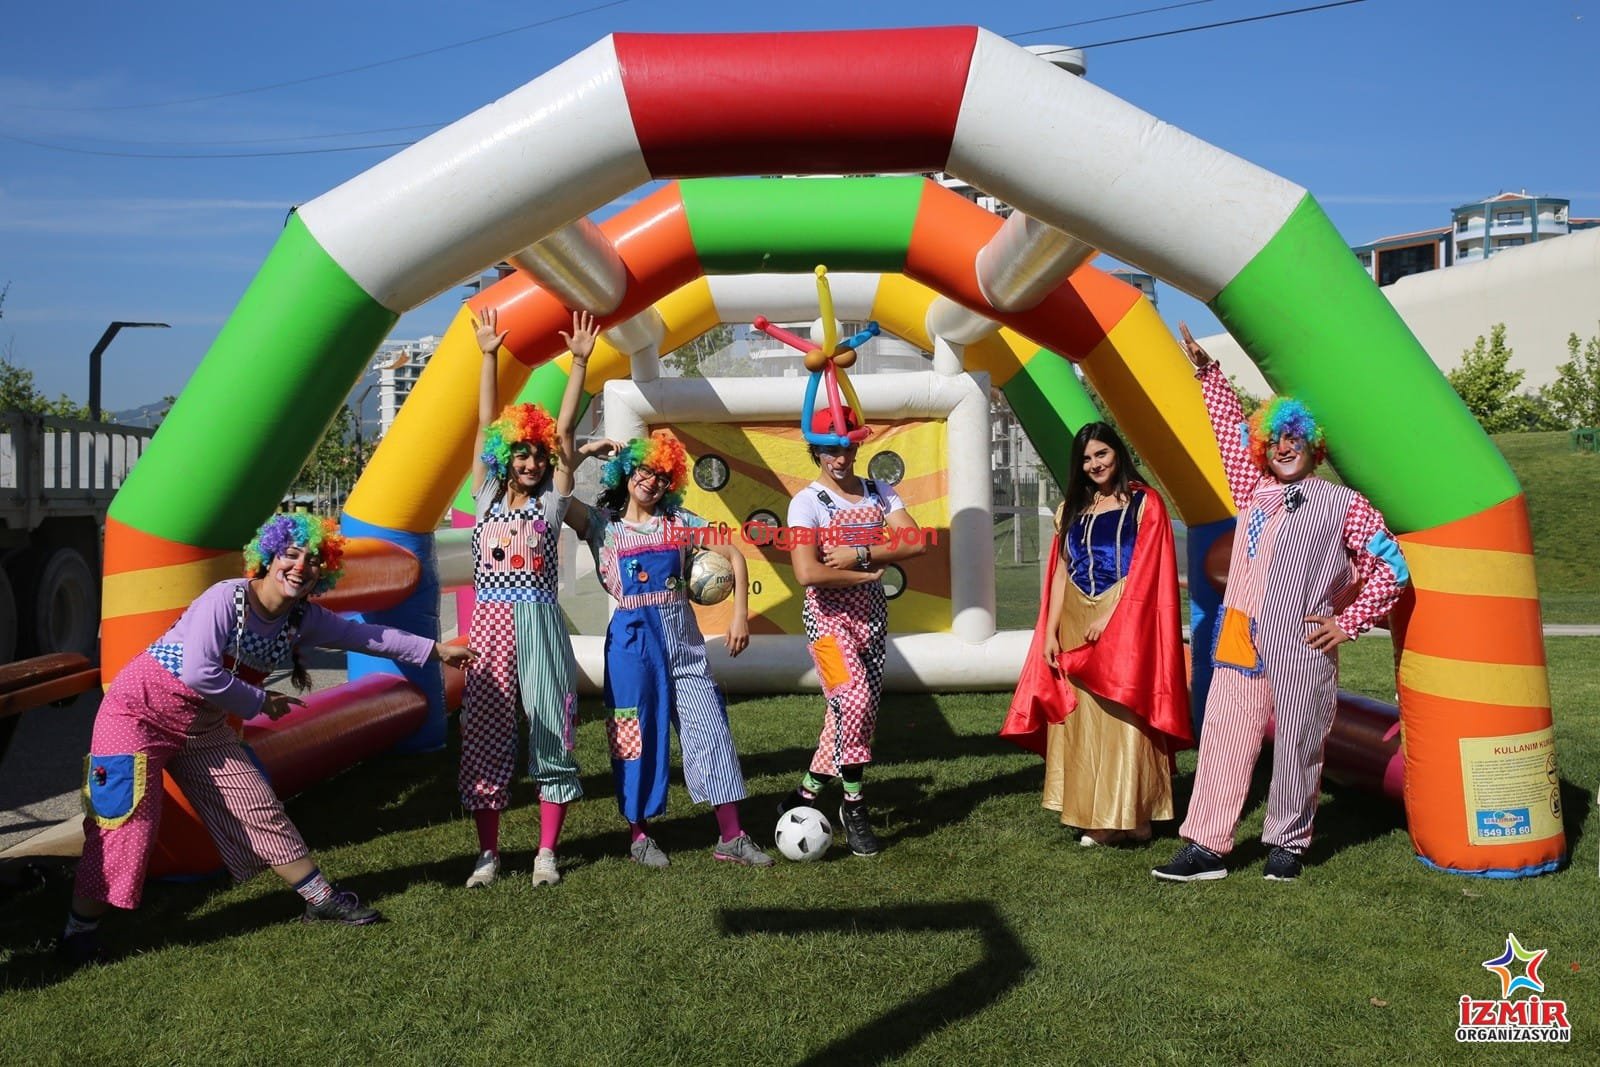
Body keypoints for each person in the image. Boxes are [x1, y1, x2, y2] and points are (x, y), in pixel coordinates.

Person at [60, 514, 478, 964]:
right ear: (269, 557)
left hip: (202, 725)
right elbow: (198, 671)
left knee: (256, 804)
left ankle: (321, 900)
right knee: (124, 822)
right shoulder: (226, 598)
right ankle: (78, 933)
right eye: (290, 555)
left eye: (313, 560)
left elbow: (368, 636)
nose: (300, 566)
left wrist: (436, 650)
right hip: (137, 713)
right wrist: (262, 701)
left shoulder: (302, 617)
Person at [1152, 324, 1408, 883]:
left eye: (1294, 439)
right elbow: (1226, 431)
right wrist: (1208, 374)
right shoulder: (1252, 491)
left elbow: (1392, 566)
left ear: (1313, 446)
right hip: (1240, 636)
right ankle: (1206, 848)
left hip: (1303, 643)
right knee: (1224, 738)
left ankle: (1287, 845)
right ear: (1264, 449)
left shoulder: (1343, 503)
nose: (1285, 448)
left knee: (1298, 744)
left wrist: (1348, 622)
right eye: (1275, 441)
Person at [564, 430, 773, 869]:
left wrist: (739, 615)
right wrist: (585, 451)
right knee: (634, 737)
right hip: (632, 646)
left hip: (684, 644)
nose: (652, 482)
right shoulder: (601, 524)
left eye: (662, 476)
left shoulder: (680, 522)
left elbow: (735, 555)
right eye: (645, 471)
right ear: (627, 472)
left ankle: (732, 837)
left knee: (711, 730)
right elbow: (558, 491)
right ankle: (639, 835)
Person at [458, 308, 616, 889]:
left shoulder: (553, 504)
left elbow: (568, 430)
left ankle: (546, 853)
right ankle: (488, 853)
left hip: (541, 624)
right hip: (490, 626)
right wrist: (488, 355)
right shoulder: (484, 496)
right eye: (521, 454)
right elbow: (483, 422)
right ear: (507, 456)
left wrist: (579, 362)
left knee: (551, 725)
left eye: (538, 456)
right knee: (486, 729)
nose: (530, 463)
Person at [1002, 422, 1192, 845]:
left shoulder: (1145, 503)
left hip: (1126, 617)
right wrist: (1050, 632)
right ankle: (1094, 811)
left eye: (1101, 454)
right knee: (1083, 719)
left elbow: (1148, 568)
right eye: (1086, 458)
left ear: (1117, 453)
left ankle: (1132, 816)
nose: (1094, 464)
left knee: (1122, 711)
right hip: (1073, 619)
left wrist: (1111, 616)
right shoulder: (1072, 508)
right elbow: (1061, 572)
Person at [777, 407, 926, 857]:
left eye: (846, 448)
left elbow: (915, 541)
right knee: (854, 701)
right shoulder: (805, 503)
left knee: (847, 714)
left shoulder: (880, 492)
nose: (839, 459)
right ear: (816, 451)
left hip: (872, 620)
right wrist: (864, 573)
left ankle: (804, 794)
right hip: (825, 623)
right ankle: (854, 805)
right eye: (829, 450)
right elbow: (807, 573)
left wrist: (859, 554)